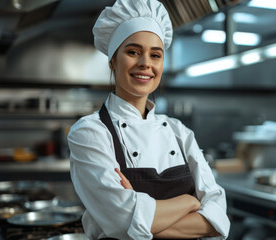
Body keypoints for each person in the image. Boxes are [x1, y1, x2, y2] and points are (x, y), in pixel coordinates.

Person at [67, 0, 230, 239]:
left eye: (155, 55)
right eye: (133, 52)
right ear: (113, 60)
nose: (145, 63)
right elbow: (120, 221)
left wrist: (143, 217)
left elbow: (218, 221)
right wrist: (189, 201)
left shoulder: (179, 132)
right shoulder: (90, 132)